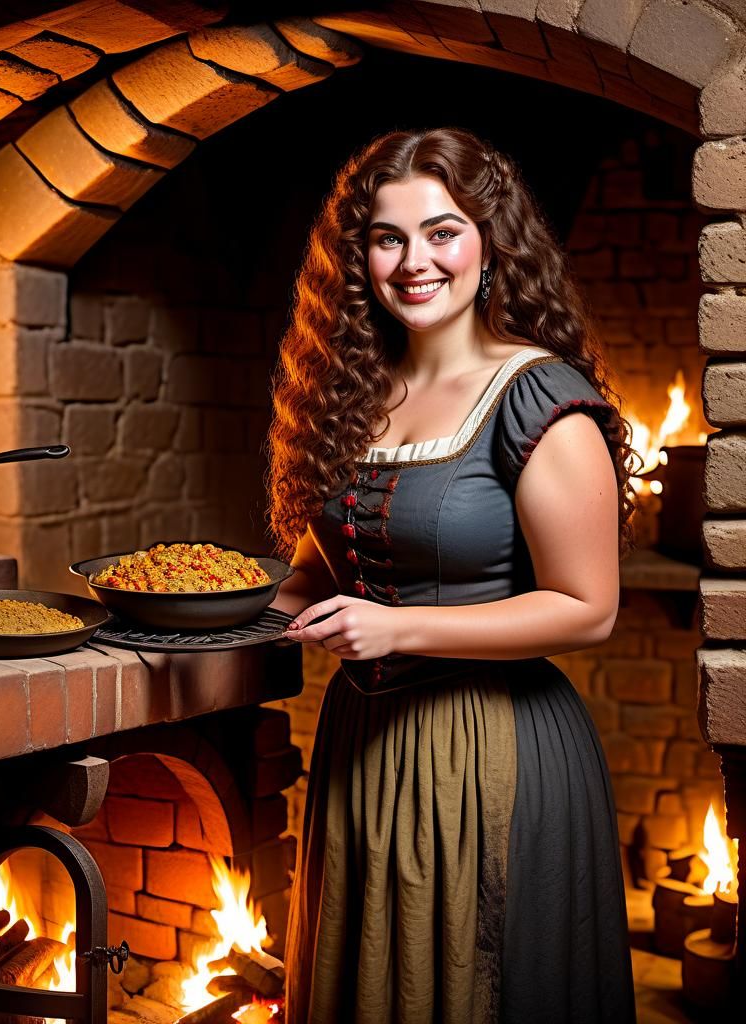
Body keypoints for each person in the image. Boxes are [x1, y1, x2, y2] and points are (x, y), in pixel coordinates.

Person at [267, 127, 638, 1023]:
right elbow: (321, 571)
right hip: (363, 747)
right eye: (387, 239)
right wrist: (209, 607)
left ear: (490, 240)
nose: (414, 262)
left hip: (490, 750)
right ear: (357, 258)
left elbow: (589, 609)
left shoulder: (538, 396)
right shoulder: (348, 397)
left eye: (442, 232)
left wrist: (398, 628)